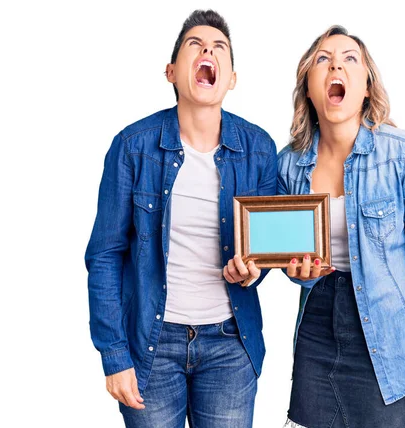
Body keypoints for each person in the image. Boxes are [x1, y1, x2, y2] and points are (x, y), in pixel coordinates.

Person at [85, 9, 277, 428]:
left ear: (231, 78)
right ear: (172, 72)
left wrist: (251, 272)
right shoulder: (132, 147)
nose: (208, 49)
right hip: (151, 345)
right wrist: (114, 355)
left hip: (230, 345)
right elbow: (104, 255)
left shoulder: (260, 149)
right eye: (195, 44)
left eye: (219, 47)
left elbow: (262, 254)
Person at [278, 25, 405, 427]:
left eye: (349, 58)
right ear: (308, 87)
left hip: (391, 337)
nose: (335, 64)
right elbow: (283, 252)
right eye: (323, 59)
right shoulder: (287, 164)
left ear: (366, 86)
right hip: (317, 331)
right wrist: (299, 274)